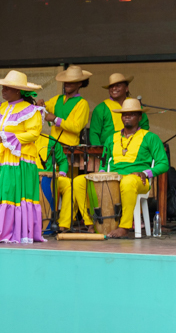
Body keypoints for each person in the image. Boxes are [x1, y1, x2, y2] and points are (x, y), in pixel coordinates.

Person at [72, 98, 168, 238]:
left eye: (132, 114)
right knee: (79, 181)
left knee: (128, 181)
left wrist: (146, 173)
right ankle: (90, 223)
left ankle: (125, 226)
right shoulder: (111, 138)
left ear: (140, 117)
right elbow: (104, 163)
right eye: (124, 114)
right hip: (114, 180)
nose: (127, 116)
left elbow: (163, 163)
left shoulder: (150, 137)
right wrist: (102, 174)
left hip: (138, 180)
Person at [0, 71, 45, 244]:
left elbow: (34, 133)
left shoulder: (31, 110)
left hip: (17, 159)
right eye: (3, 87)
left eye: (7, 87)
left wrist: (9, 138)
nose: (3, 90)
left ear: (18, 91)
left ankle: (11, 230)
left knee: (9, 193)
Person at [39, 67, 91, 233]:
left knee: (71, 186)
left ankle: (68, 221)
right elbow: (44, 108)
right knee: (52, 183)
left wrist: (55, 119)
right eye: (66, 82)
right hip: (53, 146)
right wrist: (40, 105)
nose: (67, 84)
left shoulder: (82, 103)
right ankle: (51, 220)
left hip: (70, 149)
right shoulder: (57, 99)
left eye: (71, 82)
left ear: (80, 84)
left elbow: (76, 127)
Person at [89, 73, 149, 149]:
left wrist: (141, 144)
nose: (114, 88)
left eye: (118, 85)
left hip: (134, 147)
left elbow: (144, 126)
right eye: (111, 86)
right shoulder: (101, 108)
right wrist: (99, 151)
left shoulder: (134, 104)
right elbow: (94, 133)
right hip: (109, 149)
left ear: (126, 88)